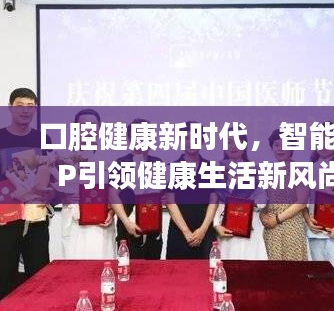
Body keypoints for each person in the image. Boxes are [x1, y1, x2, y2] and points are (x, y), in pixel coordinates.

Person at [0, 88, 52, 300]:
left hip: (36, 217)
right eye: (20, 105)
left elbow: (50, 177)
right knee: (5, 278)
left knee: (40, 278)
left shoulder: (43, 138)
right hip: (5, 215)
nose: (25, 110)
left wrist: (49, 194)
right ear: (10, 108)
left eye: (30, 106)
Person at [59, 109, 116, 260]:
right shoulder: (63, 157)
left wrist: (112, 213)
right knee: (74, 266)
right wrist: (64, 197)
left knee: (103, 265)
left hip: (102, 224)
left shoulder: (110, 158)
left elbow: (116, 194)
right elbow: (51, 193)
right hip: (74, 223)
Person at [165, 122, 217, 259]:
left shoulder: (211, 167)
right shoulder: (171, 167)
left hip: (205, 232)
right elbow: (170, 202)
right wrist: (186, 232)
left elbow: (214, 200)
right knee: (177, 271)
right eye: (187, 138)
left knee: (207, 271)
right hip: (179, 232)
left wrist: (203, 230)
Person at [304, 135, 334, 276]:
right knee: (319, 281)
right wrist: (308, 220)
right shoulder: (308, 170)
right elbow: (302, 202)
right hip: (316, 233)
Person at [114, 118, 163, 260]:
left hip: (153, 229)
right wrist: (127, 222)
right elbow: (112, 195)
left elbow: (161, 195)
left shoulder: (157, 163)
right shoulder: (121, 163)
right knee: (128, 269)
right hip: (128, 228)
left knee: (154, 270)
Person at [213, 134, 267, 260]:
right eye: (229, 142)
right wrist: (215, 225)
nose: (233, 146)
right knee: (226, 266)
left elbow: (263, 200)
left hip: (250, 227)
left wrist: (245, 203)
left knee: (250, 266)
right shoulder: (217, 169)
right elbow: (213, 202)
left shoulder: (254, 169)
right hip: (224, 227)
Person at [259, 129, 308, 261]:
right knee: (274, 270)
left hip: (292, 227)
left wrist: (278, 219)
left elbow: (302, 202)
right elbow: (266, 201)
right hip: (271, 230)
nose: (280, 149)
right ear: (271, 147)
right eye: (277, 145)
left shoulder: (300, 170)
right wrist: (262, 214)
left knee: (293, 269)